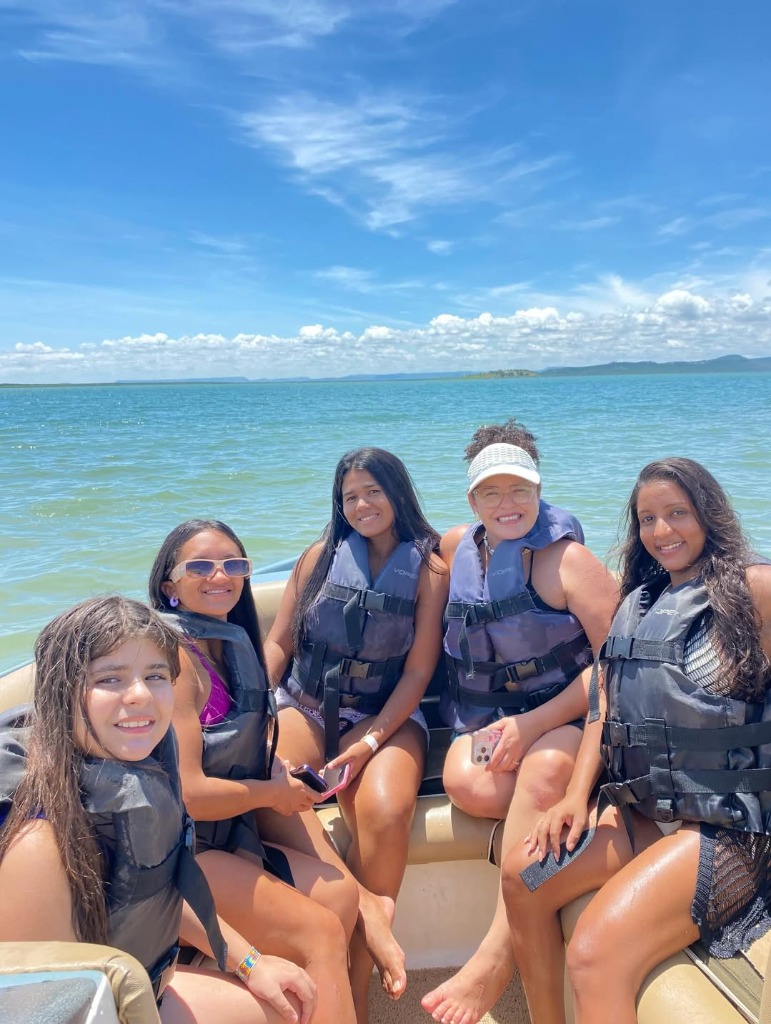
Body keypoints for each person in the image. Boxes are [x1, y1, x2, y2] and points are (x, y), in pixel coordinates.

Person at [501, 457, 771, 1024]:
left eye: (678, 513)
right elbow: (605, 704)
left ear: (709, 513)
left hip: (728, 831)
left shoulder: (753, 590)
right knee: (523, 879)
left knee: (594, 954)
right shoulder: (638, 602)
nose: (662, 531)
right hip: (646, 817)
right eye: (648, 519)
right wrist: (576, 796)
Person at [0, 596, 316, 1024]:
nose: (140, 695)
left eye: (155, 675)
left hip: (145, 990)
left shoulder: (142, 771)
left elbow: (153, 885)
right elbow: (41, 1010)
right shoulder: (39, 845)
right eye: (109, 679)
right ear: (61, 692)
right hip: (99, 1010)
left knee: (287, 1007)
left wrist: (250, 963)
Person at [150, 519, 403, 1024]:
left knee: (338, 894)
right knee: (320, 932)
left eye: (233, 565)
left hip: (226, 835)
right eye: (200, 566)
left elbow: (235, 747)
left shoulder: (226, 645)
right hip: (177, 856)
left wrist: (275, 775)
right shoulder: (174, 659)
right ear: (169, 585)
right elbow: (191, 793)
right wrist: (270, 793)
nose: (219, 575)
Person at [422, 419, 619, 1024]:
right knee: (467, 782)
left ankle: (494, 957)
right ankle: (572, 808)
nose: (507, 504)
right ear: (472, 501)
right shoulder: (457, 547)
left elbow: (617, 667)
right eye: (491, 492)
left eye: (520, 490)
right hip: (497, 716)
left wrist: (532, 727)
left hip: (572, 716)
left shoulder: (569, 561)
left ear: (539, 490)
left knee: (542, 771)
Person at [264, 447, 448, 1023]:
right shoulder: (317, 558)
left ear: (398, 493)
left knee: (386, 812)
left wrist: (369, 743)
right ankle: (364, 903)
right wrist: (254, 711)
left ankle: (358, 985)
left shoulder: (430, 571)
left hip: (385, 715)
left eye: (374, 491)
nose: (363, 505)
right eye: (351, 496)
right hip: (305, 706)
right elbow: (279, 644)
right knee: (269, 787)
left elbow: (418, 672)